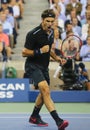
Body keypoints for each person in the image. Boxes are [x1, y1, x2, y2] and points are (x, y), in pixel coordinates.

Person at [22, 9, 69, 130]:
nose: (49, 23)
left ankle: (34, 116)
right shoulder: (33, 34)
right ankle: (58, 121)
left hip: (44, 67)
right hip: (32, 66)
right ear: (42, 20)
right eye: (47, 21)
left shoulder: (52, 32)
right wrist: (39, 51)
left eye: (52, 21)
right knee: (45, 89)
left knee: (44, 94)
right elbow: (24, 52)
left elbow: (49, 50)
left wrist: (57, 58)